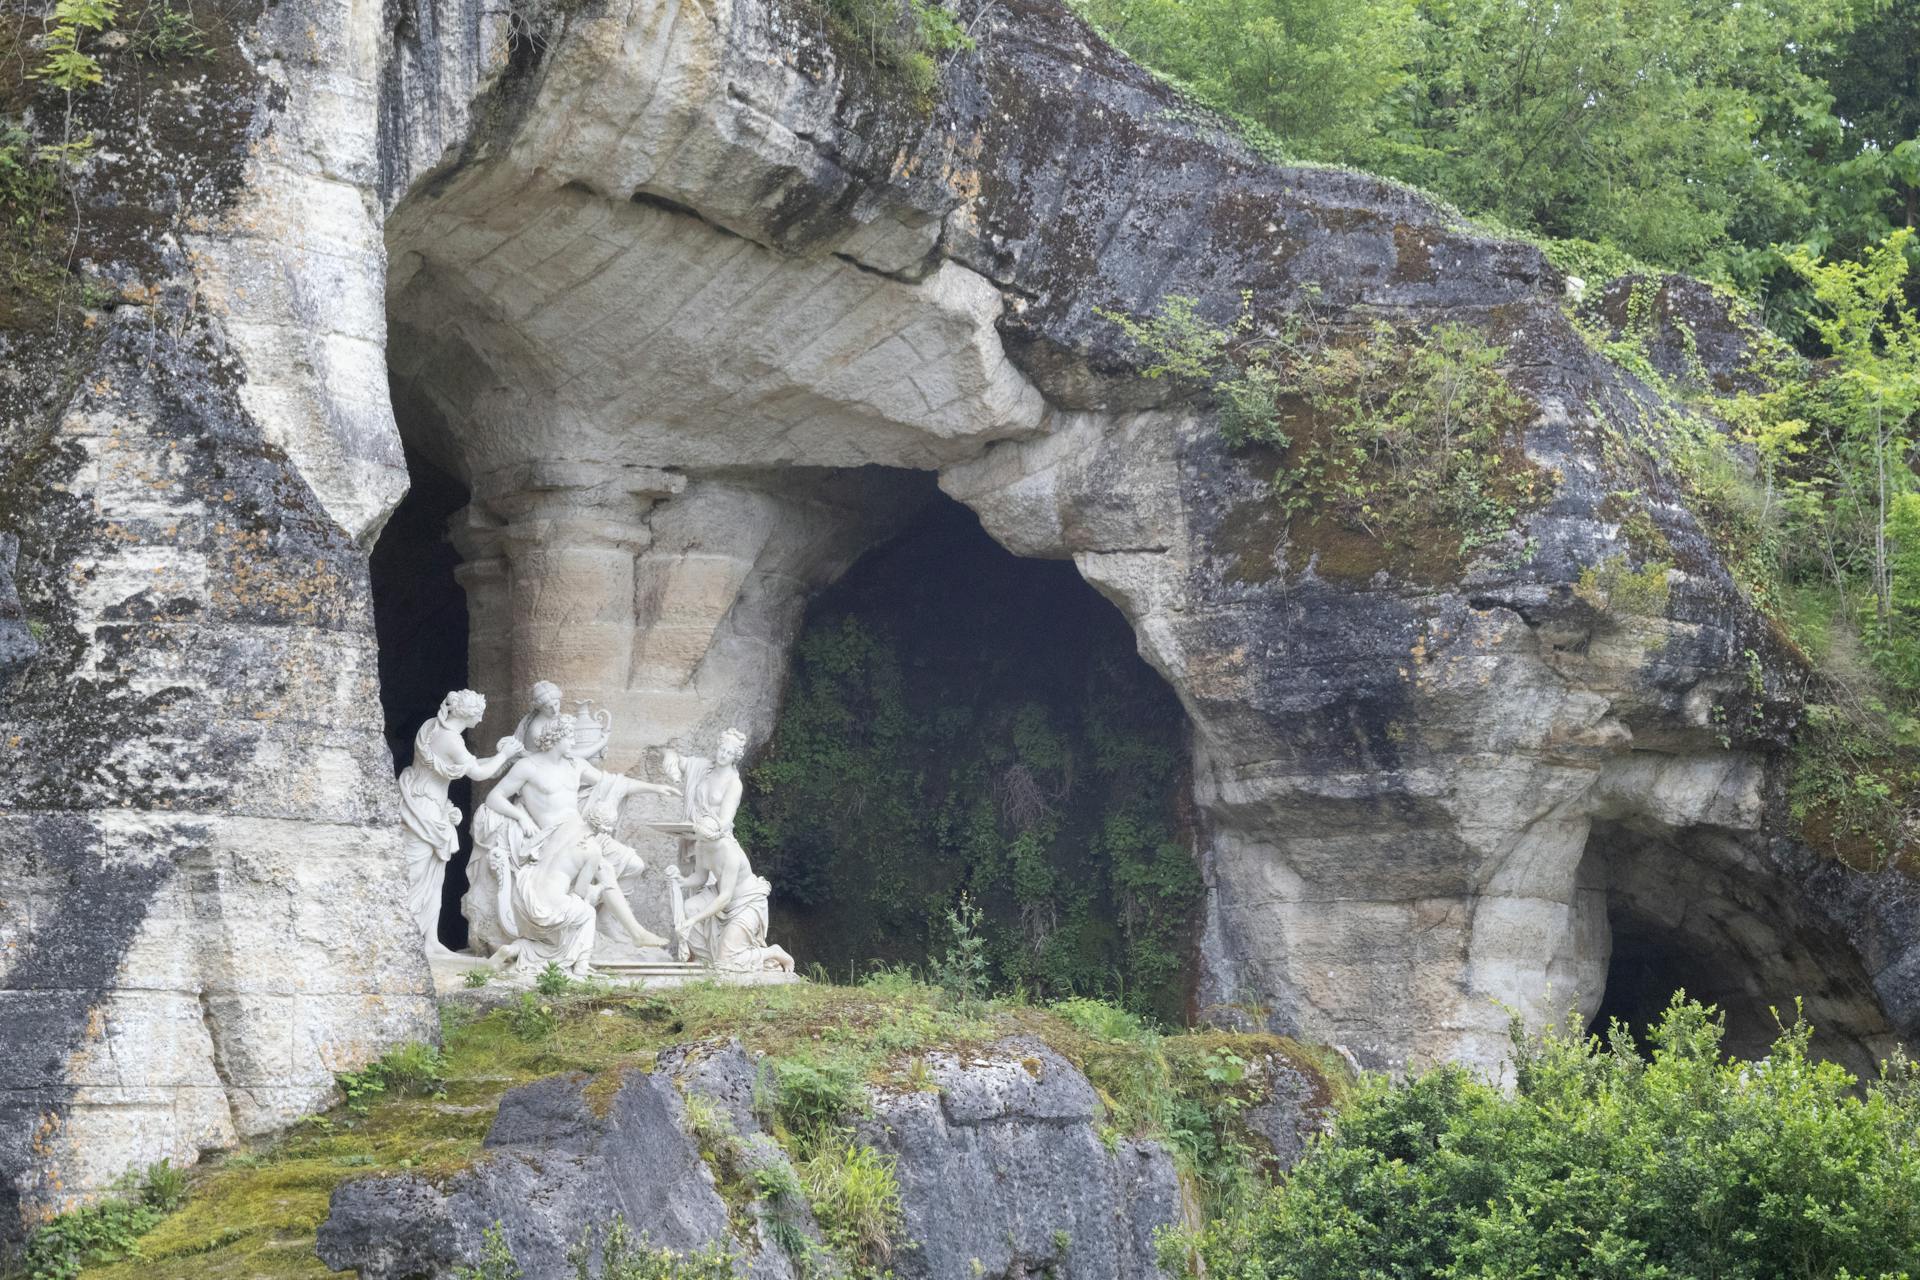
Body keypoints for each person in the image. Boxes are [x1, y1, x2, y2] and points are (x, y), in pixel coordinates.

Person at [471, 715, 677, 975]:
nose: (575, 742)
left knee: (634, 864)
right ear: (556, 738)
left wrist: (655, 788)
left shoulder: (576, 765)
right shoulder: (528, 767)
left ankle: (606, 922)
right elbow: (495, 797)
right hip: (552, 836)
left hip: (582, 828)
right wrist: (522, 818)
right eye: (571, 737)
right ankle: (635, 932)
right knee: (602, 866)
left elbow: (613, 782)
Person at [395, 690, 521, 952]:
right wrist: (505, 754)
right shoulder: (452, 740)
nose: (482, 718)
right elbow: (478, 773)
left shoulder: (431, 725)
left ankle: (430, 939)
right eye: (480, 713)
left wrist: (505, 760)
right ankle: (406, 937)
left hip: (429, 804)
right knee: (417, 874)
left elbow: (468, 765)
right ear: (470, 713)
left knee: (435, 875)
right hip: (427, 809)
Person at [665, 728, 794, 973]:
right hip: (719, 884)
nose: (722, 754)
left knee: (717, 946)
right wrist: (679, 880)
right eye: (720, 748)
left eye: (728, 751)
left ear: (735, 755)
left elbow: (725, 896)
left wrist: (692, 920)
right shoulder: (702, 843)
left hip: (742, 901)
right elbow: (701, 877)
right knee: (691, 906)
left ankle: (771, 952)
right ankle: (707, 961)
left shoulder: (730, 851)